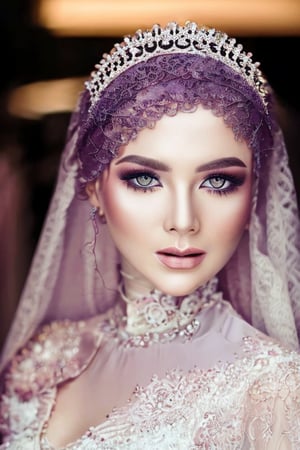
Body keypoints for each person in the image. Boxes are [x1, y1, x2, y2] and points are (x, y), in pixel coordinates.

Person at [1, 21, 300, 449]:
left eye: (218, 182)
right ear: (93, 189)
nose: (183, 220)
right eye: (144, 179)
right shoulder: (44, 360)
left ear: (254, 197)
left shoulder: (273, 390)